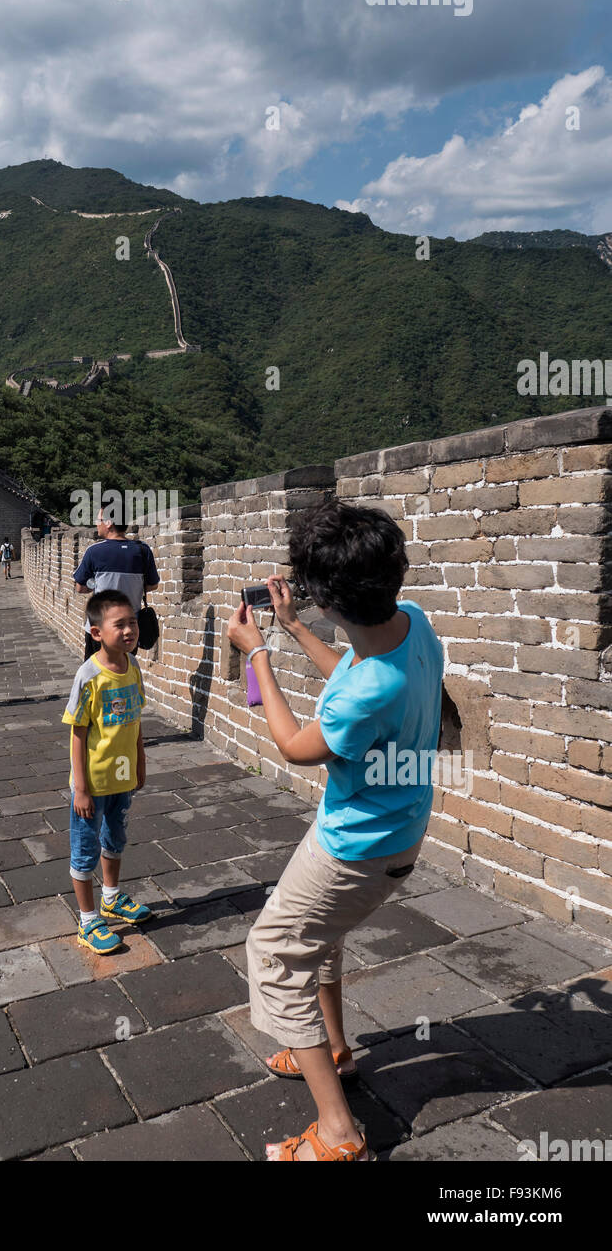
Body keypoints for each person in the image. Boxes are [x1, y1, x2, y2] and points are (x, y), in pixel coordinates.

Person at [226, 498, 444, 1163]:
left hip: (354, 845)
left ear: (326, 597)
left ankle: (338, 1133)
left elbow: (295, 743)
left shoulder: (364, 691)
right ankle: (335, 1049)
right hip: (397, 832)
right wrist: (293, 628)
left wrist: (255, 650)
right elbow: (351, 681)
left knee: (271, 951)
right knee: (317, 938)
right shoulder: (414, 628)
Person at [62, 591, 154, 955]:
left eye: (132, 622)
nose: (130, 630)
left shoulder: (132, 667)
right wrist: (81, 787)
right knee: (85, 850)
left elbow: (135, 722)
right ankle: (87, 920)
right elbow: (77, 733)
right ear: (97, 632)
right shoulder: (89, 676)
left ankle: (111, 897)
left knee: (115, 839)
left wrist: (140, 761)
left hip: (121, 778)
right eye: (120, 624)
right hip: (93, 782)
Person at [73, 501, 159, 659]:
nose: (96, 524)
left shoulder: (94, 552)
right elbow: (152, 585)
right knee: (123, 674)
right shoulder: (142, 550)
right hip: (129, 630)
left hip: (101, 629)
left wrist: (98, 583)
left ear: (109, 523)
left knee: (96, 677)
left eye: (98, 520)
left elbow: (80, 587)